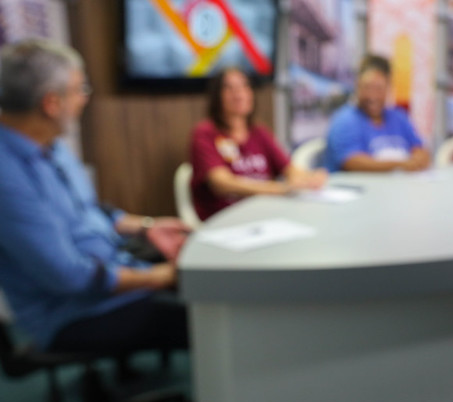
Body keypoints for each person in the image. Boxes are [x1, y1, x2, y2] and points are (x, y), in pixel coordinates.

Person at [0, 39, 190, 352]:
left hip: (112, 274)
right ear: (52, 104)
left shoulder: (51, 145)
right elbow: (71, 277)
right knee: (203, 315)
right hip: (72, 313)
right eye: (80, 89)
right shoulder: (8, 177)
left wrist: (147, 227)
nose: (84, 99)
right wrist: (159, 276)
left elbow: (89, 210)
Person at [190, 67, 327, 221]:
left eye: (244, 86)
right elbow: (222, 183)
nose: (239, 94)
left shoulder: (259, 132)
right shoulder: (205, 133)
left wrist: (308, 179)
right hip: (225, 219)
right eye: (229, 88)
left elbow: (288, 168)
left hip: (264, 215)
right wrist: (279, 189)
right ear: (217, 96)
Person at [325, 55, 431, 172]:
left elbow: (420, 151)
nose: (372, 95)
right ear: (357, 86)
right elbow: (352, 162)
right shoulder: (345, 120)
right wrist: (403, 165)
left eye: (379, 88)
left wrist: (418, 160)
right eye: (367, 87)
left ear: (388, 88)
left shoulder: (399, 117)